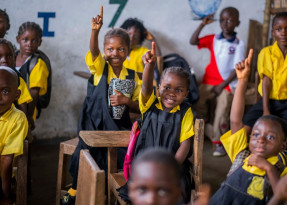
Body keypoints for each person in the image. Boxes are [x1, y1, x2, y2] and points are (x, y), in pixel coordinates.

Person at [61, 6, 141, 205]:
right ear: (105, 51)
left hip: (118, 126)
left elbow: (140, 107)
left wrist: (126, 101)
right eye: (110, 49)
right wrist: (95, 32)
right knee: (85, 152)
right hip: (93, 124)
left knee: (127, 155)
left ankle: (115, 189)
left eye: (121, 49)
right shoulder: (99, 69)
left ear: (128, 51)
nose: (115, 53)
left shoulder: (132, 76)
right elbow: (93, 51)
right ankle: (75, 187)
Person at [118, 41, 195, 204]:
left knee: (175, 196)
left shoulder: (185, 112)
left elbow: (185, 144)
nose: (172, 93)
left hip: (172, 167)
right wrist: (149, 66)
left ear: (186, 93)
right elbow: (145, 88)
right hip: (145, 166)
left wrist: (171, 166)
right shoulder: (149, 104)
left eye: (179, 90)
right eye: (167, 87)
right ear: (158, 87)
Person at [210, 49, 287, 205]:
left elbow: (283, 197)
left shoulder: (282, 169)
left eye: (270, 137)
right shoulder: (242, 154)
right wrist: (242, 81)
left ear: (283, 145)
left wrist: (268, 167)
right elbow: (235, 121)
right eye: (256, 134)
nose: (261, 140)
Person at [190, 7, 245, 156]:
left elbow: (237, 69)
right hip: (209, 81)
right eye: (222, 20)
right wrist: (203, 24)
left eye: (229, 20)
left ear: (237, 23)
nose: (225, 23)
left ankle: (218, 142)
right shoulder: (214, 38)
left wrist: (222, 85)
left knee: (222, 112)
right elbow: (193, 41)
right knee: (197, 102)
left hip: (226, 84)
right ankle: (202, 130)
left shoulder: (238, 44)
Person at [243, 12, 287, 136]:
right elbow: (266, 80)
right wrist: (266, 110)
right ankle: (243, 153)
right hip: (268, 100)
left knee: (284, 129)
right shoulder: (266, 53)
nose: (284, 33)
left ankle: (282, 153)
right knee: (248, 123)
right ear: (273, 32)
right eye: (279, 29)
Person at [0, 66, 28, 204]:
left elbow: (6, 159)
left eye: (5, 91)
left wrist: (5, 194)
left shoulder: (18, 119)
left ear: (16, 95)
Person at [15, 21, 49, 130]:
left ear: (40, 42)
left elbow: (34, 92)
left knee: (24, 136)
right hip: (11, 107)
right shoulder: (11, 57)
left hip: (28, 108)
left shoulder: (38, 63)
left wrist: (28, 115)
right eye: (25, 39)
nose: (29, 44)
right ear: (18, 39)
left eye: (34, 41)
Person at [0, 38, 33, 120]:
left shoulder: (18, 80)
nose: (4, 60)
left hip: (11, 123)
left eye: (9, 56)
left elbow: (22, 106)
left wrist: (23, 122)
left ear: (14, 58)